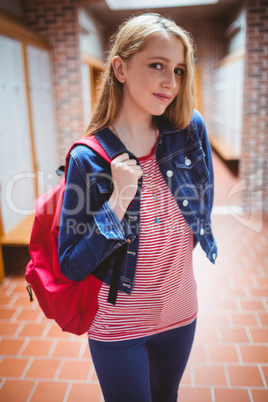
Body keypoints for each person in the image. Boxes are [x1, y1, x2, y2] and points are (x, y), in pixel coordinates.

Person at [59, 13, 217, 402]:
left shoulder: (189, 130)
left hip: (181, 312)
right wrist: (116, 201)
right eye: (157, 65)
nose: (170, 82)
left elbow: (202, 212)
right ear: (121, 68)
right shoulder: (88, 158)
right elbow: (72, 264)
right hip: (117, 326)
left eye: (178, 70)